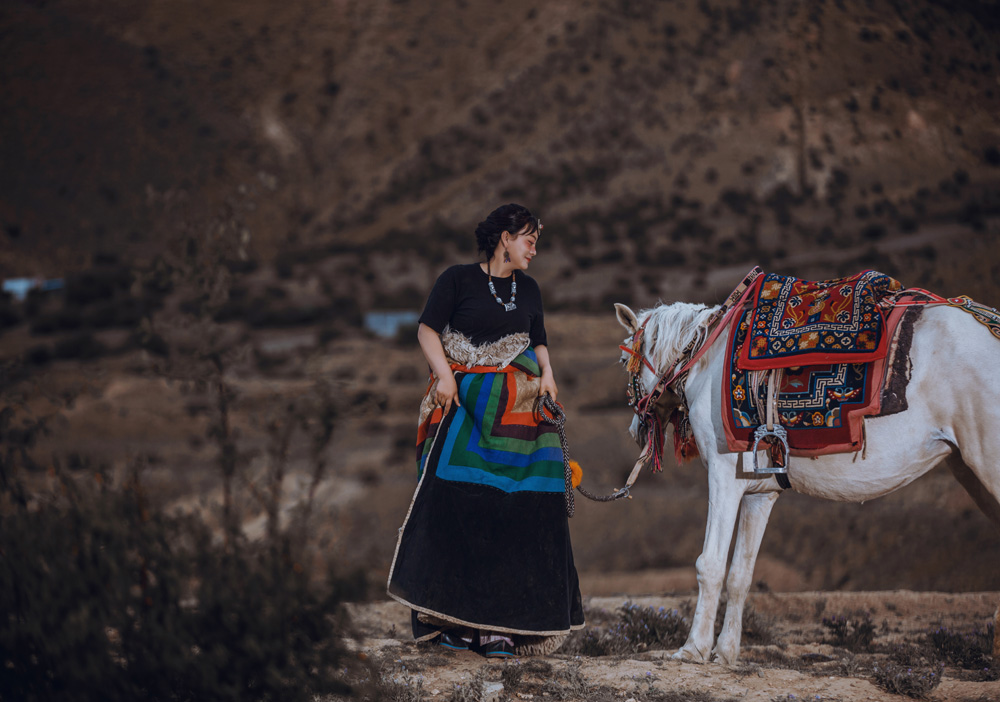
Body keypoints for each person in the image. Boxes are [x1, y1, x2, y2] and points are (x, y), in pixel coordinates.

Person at [386, 203, 585, 658]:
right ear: (506, 238)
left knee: (523, 507)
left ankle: (504, 629)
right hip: (465, 405)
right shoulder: (455, 280)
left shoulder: (530, 290)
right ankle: (456, 624)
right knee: (458, 502)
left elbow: (539, 343)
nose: (534, 250)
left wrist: (548, 376)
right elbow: (427, 331)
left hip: (520, 411)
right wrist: (444, 376)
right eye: (530, 240)